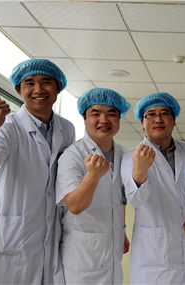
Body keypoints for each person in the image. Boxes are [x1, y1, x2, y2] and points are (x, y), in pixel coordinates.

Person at [0, 59, 75, 284]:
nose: (38, 89)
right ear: (19, 90)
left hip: (49, 241)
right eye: (29, 83)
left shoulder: (66, 128)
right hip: (11, 243)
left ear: (58, 87)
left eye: (46, 82)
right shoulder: (7, 126)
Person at [120, 92, 185, 284]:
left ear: (173, 120)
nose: (158, 119)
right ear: (142, 122)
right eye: (151, 114)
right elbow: (135, 199)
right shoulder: (131, 156)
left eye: (164, 113)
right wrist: (140, 170)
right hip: (154, 253)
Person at [55, 88, 131, 284]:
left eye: (111, 114)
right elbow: (75, 205)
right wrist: (93, 176)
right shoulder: (73, 155)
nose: (103, 120)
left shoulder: (123, 154)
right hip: (82, 257)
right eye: (95, 113)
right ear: (84, 117)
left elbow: (120, 198)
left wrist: (120, 231)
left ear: (119, 118)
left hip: (112, 251)